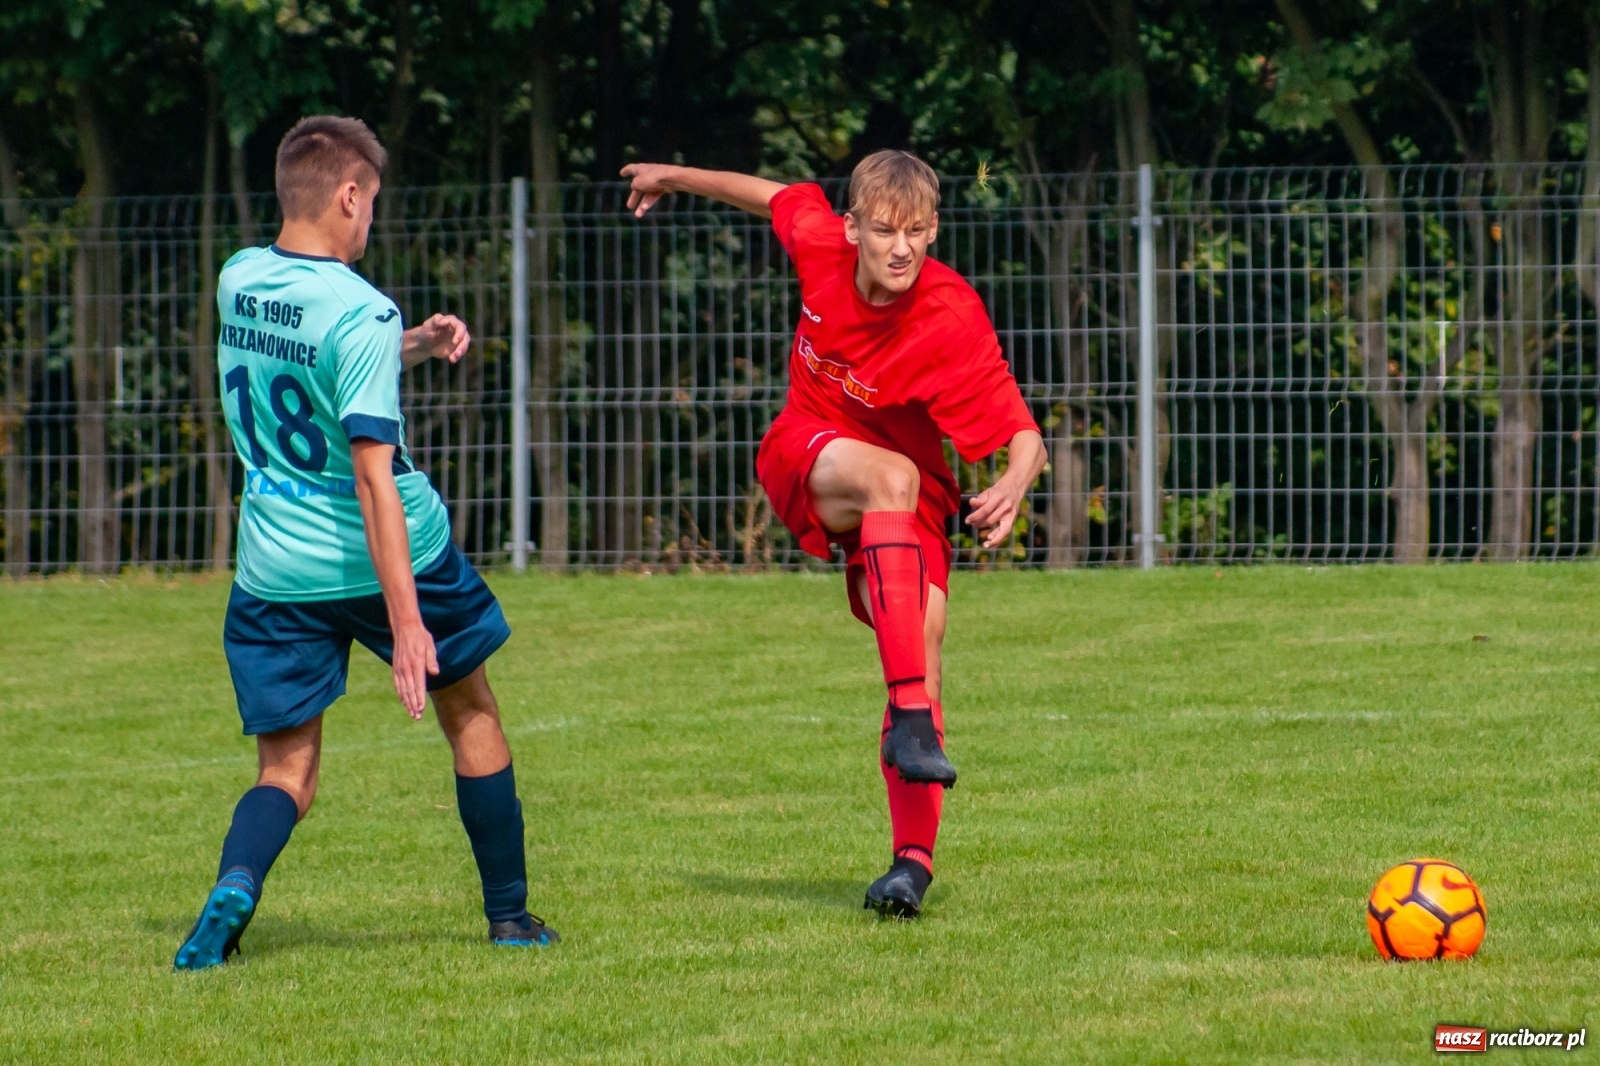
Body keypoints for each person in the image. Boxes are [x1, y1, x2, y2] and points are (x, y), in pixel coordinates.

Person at [174, 116, 557, 970]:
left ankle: (236, 883)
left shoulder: (238, 279)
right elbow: (373, 478)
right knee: (470, 713)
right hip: (392, 554)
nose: (371, 219)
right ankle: (511, 919)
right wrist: (407, 621)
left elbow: (304, 370)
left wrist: (408, 345)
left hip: (276, 567)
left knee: (288, 772)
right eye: (372, 203)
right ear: (349, 197)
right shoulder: (361, 309)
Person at [622, 151, 1045, 918]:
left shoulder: (951, 312)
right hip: (808, 448)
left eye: (916, 232)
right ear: (852, 229)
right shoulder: (822, 244)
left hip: (914, 496)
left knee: (927, 645)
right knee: (891, 478)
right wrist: (673, 177)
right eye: (884, 230)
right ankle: (907, 719)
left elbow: (1024, 434)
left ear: (934, 231)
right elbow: (773, 194)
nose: (900, 248)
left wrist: (1014, 484)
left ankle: (911, 867)